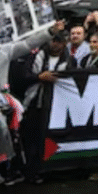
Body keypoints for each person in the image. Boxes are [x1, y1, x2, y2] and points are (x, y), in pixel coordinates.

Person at [20, 31, 77, 183]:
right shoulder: (36, 56)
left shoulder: (70, 60)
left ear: (64, 43)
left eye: (58, 41)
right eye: (53, 40)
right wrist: (39, 77)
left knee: (52, 139)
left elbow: (74, 80)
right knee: (32, 139)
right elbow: (24, 76)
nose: (55, 44)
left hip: (57, 106)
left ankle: (50, 170)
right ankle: (32, 172)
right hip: (34, 103)